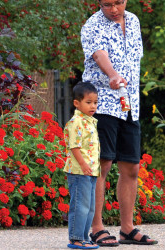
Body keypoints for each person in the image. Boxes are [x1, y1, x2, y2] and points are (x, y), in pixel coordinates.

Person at [81, 0, 157, 246]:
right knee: (102, 165)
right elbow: (99, 55)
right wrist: (112, 75)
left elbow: (134, 59)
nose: (114, 9)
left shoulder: (134, 21)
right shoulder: (92, 25)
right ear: (99, 3)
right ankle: (97, 227)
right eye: (107, 5)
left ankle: (127, 228)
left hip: (130, 105)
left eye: (119, 2)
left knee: (132, 167)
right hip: (102, 103)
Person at [64, 82, 105, 249]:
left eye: (95, 102)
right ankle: (75, 238)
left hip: (91, 171)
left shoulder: (90, 121)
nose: (93, 106)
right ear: (77, 103)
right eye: (88, 102)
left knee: (89, 207)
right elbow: (74, 146)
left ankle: (84, 237)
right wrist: (83, 164)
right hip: (79, 171)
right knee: (80, 205)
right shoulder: (76, 122)